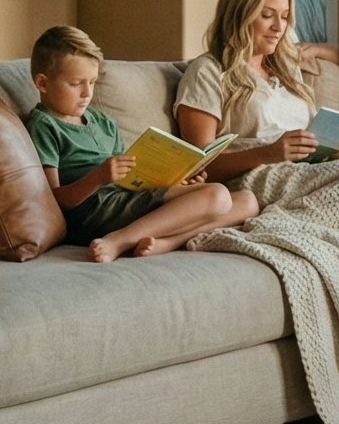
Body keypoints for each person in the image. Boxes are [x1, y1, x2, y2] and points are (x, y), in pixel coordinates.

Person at [25, 25, 257, 263]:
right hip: (96, 212)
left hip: (127, 199)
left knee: (247, 201)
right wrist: (98, 178)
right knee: (217, 195)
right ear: (43, 83)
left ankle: (167, 241)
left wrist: (176, 180)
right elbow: (53, 200)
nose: (87, 93)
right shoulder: (44, 126)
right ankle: (120, 240)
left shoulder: (103, 122)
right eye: (76, 84)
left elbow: (129, 181)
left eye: (92, 82)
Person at [172, 0, 328, 181]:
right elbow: (198, 166)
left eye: (284, 17)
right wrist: (269, 153)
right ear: (240, 15)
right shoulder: (207, 72)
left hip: (305, 172)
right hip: (256, 179)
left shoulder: (287, 69)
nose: (278, 27)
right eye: (267, 15)